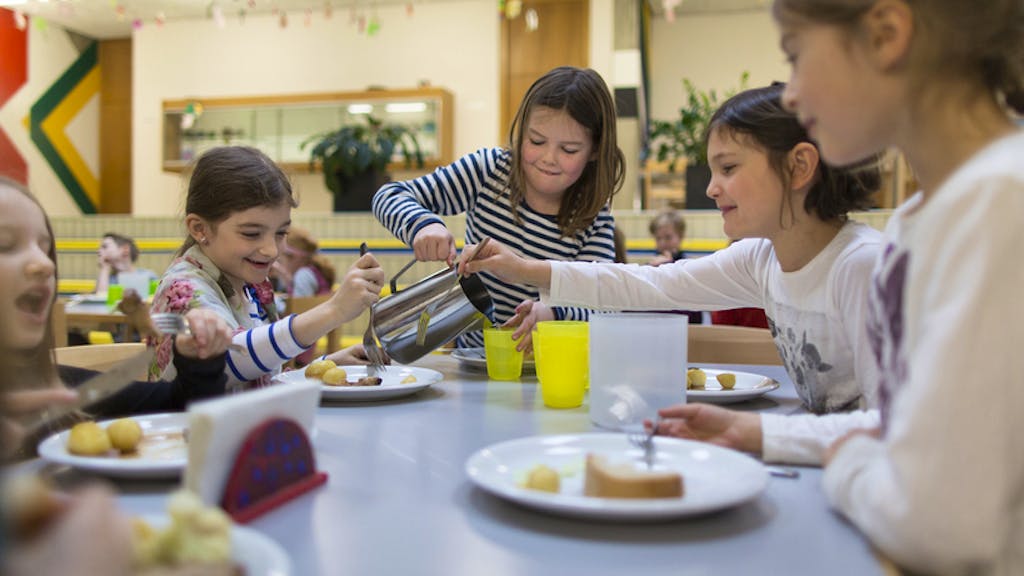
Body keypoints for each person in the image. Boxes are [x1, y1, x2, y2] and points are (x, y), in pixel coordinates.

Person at [671, 2, 1024, 573]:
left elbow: (943, 523)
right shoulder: (923, 218)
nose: (790, 95)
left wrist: (850, 466)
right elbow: (913, 425)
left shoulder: (998, 203)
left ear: (886, 35)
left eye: (796, 54)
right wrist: (761, 432)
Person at [464, 83, 883, 414]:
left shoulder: (862, 267)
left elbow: (895, 431)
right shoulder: (761, 259)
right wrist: (523, 269)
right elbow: (650, 285)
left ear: (799, 166)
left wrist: (756, 436)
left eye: (729, 168)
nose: (711, 187)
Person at [373, 66, 624, 351]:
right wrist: (423, 224)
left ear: (594, 150)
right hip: (473, 359)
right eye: (536, 141)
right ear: (521, 131)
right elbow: (389, 195)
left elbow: (604, 303)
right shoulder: (490, 171)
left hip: (549, 367)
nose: (548, 158)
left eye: (568, 150)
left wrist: (555, 314)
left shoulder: (594, 216)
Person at [0, 176, 236, 459]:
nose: (45, 263)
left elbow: (183, 411)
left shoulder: (60, 386)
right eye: (5, 244)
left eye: (45, 247)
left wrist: (199, 361)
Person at [150, 146, 385, 391]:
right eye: (251, 234)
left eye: (281, 233)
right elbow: (225, 361)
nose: (271, 250)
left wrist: (323, 367)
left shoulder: (252, 288)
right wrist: (334, 310)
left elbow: (260, 378)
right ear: (199, 229)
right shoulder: (183, 288)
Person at [646, 209, 703, 326]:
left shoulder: (688, 266)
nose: (662, 243)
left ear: (680, 236)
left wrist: (668, 266)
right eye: (658, 238)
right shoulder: (651, 266)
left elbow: (696, 311)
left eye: (668, 237)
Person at [274, 228, 336, 298]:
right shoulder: (312, 271)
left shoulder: (303, 275)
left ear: (291, 257)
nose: (282, 263)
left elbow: (300, 306)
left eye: (281, 260)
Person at [94, 232, 159, 295]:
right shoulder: (106, 279)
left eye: (105, 247)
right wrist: (105, 268)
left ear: (125, 249)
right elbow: (101, 301)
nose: (98, 251)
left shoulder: (149, 276)